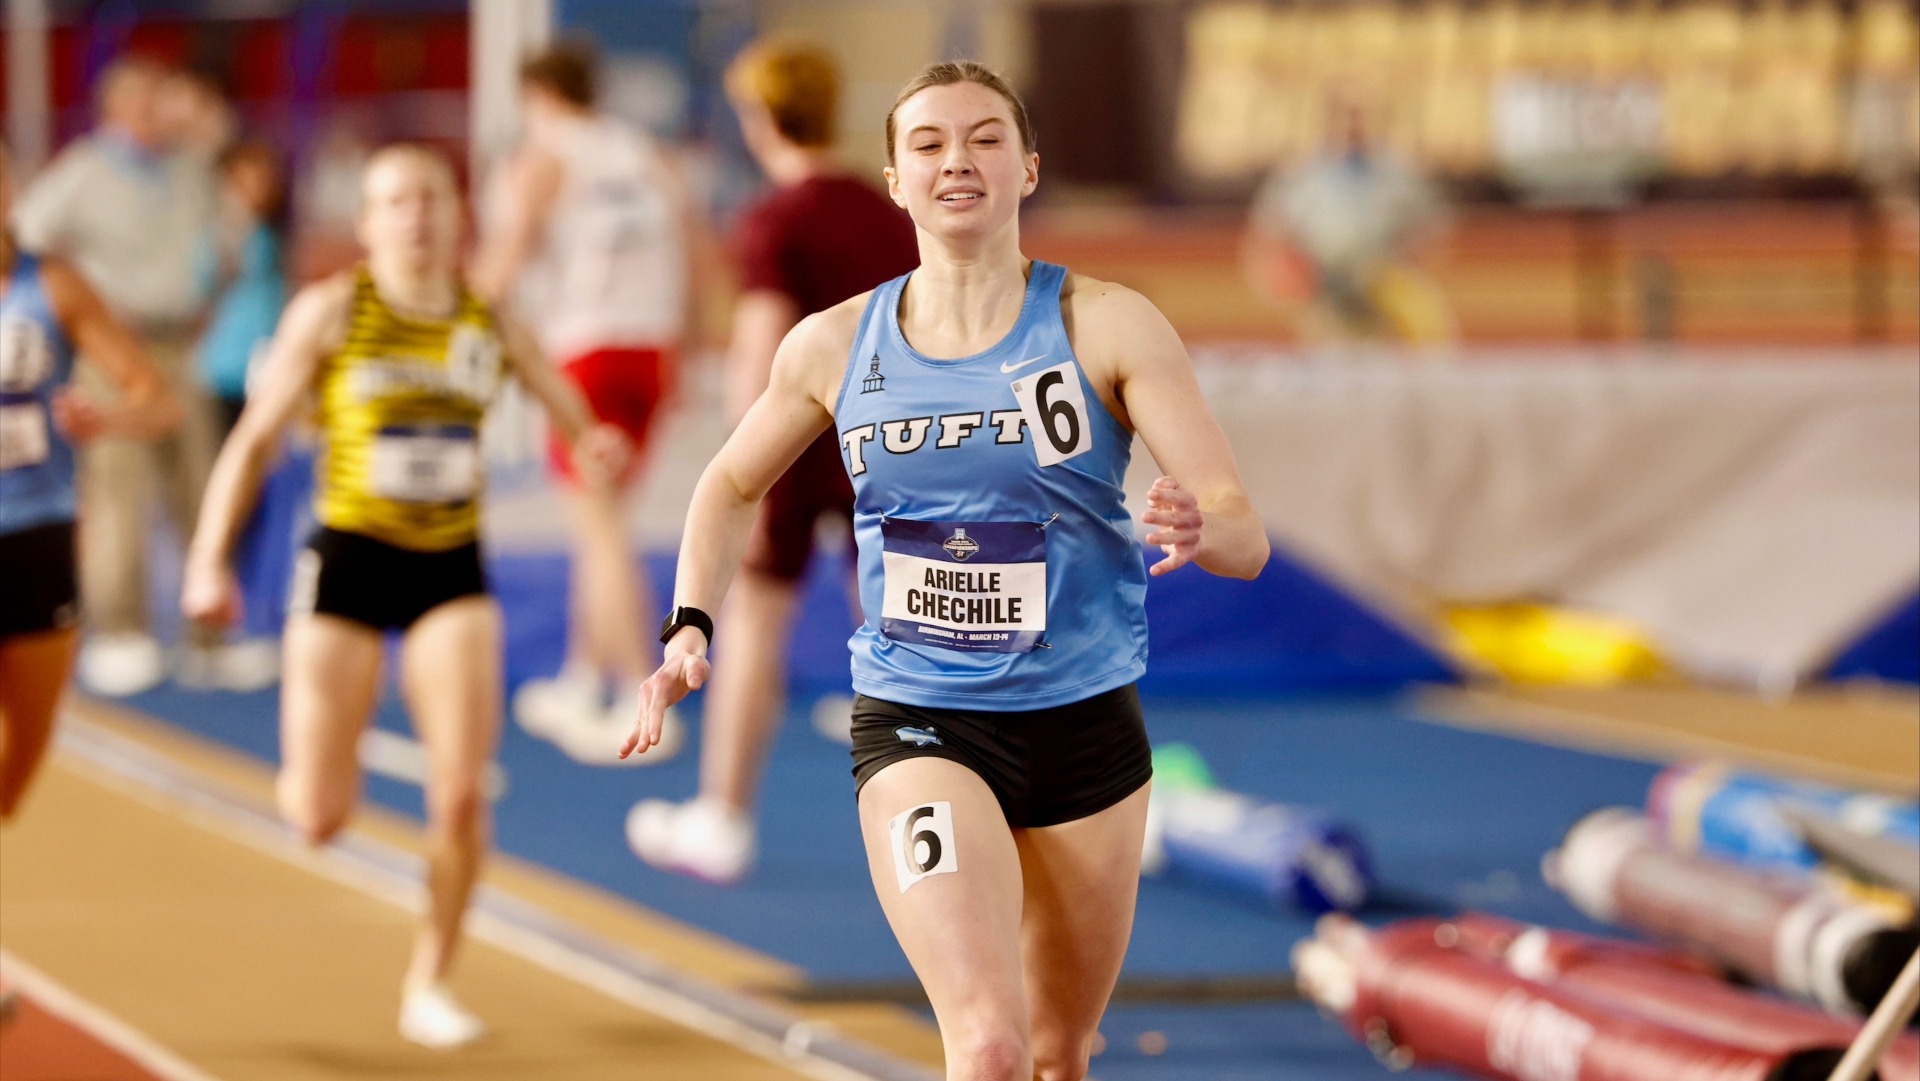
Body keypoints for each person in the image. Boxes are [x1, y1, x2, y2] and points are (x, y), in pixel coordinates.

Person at [621, 62, 1268, 1081]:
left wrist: (1200, 527)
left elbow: (1241, 529)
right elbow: (727, 486)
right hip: (921, 719)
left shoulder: (1106, 322)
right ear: (893, 179)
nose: (956, 160)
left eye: (983, 139)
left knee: (1057, 1053)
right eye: (927, 144)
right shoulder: (834, 345)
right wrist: (689, 624)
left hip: (1086, 723)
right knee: (991, 1047)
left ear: (1028, 168)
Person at [181, 145, 628, 1049]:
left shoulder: (485, 315)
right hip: (347, 557)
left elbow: (565, 404)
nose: (416, 215)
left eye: (431, 197)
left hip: (448, 565)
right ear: (368, 221)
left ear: (459, 213)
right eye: (395, 200)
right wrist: (206, 558)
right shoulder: (332, 310)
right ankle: (317, 769)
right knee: (316, 816)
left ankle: (432, 979)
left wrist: (593, 442)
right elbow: (254, 440)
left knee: (461, 792)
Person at [625, 36, 920, 885]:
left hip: (796, 441)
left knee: (755, 620)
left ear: (761, 118)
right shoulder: (878, 208)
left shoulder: (775, 220)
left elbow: (762, 349)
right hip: (884, 436)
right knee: (904, 622)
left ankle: (721, 812)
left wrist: (740, 458)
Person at [469, 42, 697, 763]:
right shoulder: (646, 154)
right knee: (603, 518)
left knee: (598, 529)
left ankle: (639, 689)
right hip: (649, 349)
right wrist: (684, 346)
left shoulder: (543, 158)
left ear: (536, 94)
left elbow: (507, 253)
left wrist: (458, 317)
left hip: (585, 351)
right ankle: (580, 672)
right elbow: (692, 248)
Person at [10, 55, 226, 696]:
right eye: (152, 100)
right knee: (118, 492)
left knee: (201, 483)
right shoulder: (83, 170)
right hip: (113, 346)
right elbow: (28, 236)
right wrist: (82, 307)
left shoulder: (186, 168)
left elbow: (219, 238)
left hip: (180, 344)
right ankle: (121, 630)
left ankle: (206, 629)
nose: (164, 111)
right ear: (120, 107)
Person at [1, 141, 182, 822]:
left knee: (16, 774)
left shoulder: (52, 287)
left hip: (37, 537)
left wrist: (104, 416)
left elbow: (160, 399)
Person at [1242, 101, 1454, 348]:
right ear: (1329, 124)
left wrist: (1408, 260)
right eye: (1346, 119)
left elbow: (1433, 227)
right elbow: (1268, 235)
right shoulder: (1301, 175)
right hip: (1325, 290)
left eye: (1360, 118)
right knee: (1329, 366)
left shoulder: (1399, 173)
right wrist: (1291, 276)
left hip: (1381, 286)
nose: (1353, 128)